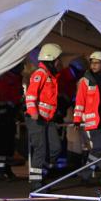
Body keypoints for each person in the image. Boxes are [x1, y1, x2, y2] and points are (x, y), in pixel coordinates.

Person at [73, 51, 101, 184]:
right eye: (92, 62)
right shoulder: (85, 80)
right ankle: (85, 174)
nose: (93, 65)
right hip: (95, 120)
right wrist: (77, 119)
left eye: (97, 62)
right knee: (98, 147)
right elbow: (80, 101)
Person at [25, 43, 63, 189]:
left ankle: (42, 174)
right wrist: (34, 113)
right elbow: (30, 96)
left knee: (55, 148)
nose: (59, 62)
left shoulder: (50, 76)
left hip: (47, 119)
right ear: (51, 59)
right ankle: (36, 183)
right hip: (37, 119)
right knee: (40, 149)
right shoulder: (40, 74)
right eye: (57, 59)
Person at [0, 63, 24, 181]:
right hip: (1, 118)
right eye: (21, 65)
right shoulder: (6, 79)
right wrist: (14, 104)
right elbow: (4, 99)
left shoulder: (16, 79)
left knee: (9, 146)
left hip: (9, 117)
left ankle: (7, 170)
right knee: (2, 146)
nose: (23, 68)